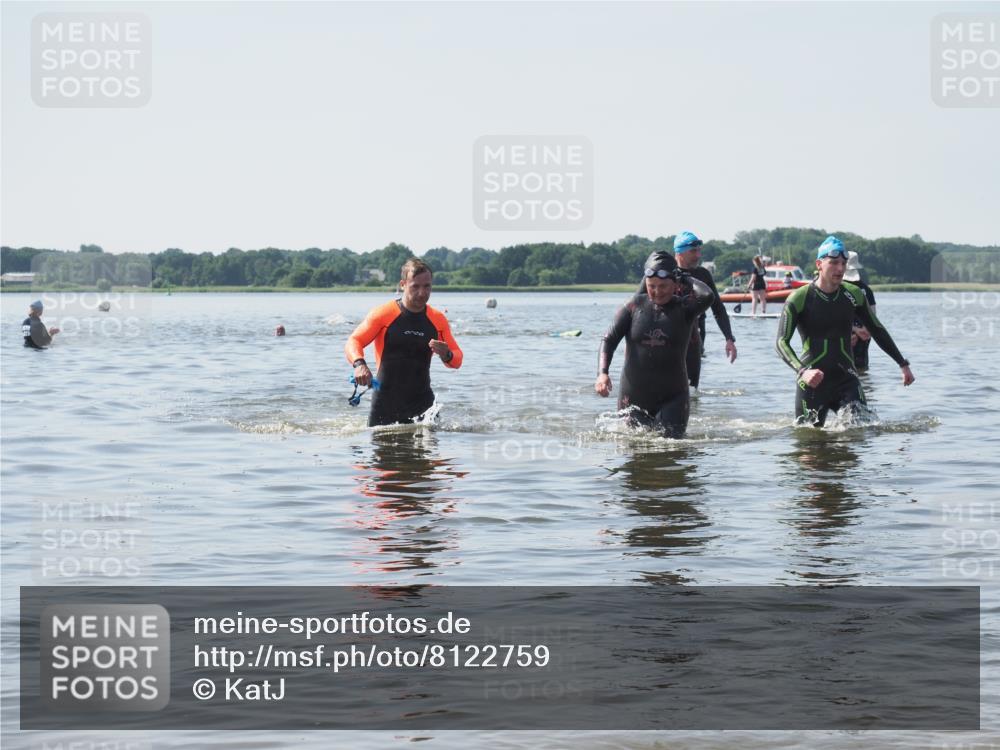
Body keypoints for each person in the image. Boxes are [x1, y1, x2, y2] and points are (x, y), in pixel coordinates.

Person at [776, 236, 914, 427]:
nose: (840, 269)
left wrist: (902, 364)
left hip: (847, 381)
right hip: (812, 383)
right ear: (819, 264)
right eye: (833, 263)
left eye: (843, 263)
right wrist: (802, 371)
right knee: (809, 446)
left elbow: (877, 329)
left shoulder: (854, 295)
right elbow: (781, 342)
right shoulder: (799, 298)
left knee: (859, 438)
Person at [596, 251, 714, 437]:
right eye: (652, 286)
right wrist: (602, 374)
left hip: (674, 397)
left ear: (675, 284)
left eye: (663, 286)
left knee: (672, 450)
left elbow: (707, 295)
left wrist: (684, 277)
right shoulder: (633, 307)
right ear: (645, 283)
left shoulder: (684, 309)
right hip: (633, 397)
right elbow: (609, 339)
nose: (657, 292)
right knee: (633, 454)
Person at [346, 259, 463, 427]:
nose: (422, 293)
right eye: (415, 286)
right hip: (385, 405)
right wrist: (359, 364)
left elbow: (457, 359)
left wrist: (447, 354)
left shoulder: (438, 319)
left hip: (424, 405)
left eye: (427, 286)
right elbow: (354, 340)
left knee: (435, 452)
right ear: (403, 284)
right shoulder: (383, 314)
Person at [672, 231, 737, 388]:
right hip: (669, 336)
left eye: (699, 250)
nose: (698, 255)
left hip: (695, 336)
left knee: (692, 390)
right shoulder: (665, 273)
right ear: (679, 252)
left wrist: (729, 338)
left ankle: (694, 412)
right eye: (693, 251)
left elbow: (718, 309)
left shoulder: (703, 274)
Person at [844, 251, 877, 371]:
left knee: (847, 369)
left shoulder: (840, 288)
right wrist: (865, 330)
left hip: (848, 332)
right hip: (866, 333)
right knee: (862, 367)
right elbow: (873, 315)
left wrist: (855, 330)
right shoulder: (867, 289)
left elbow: (836, 315)